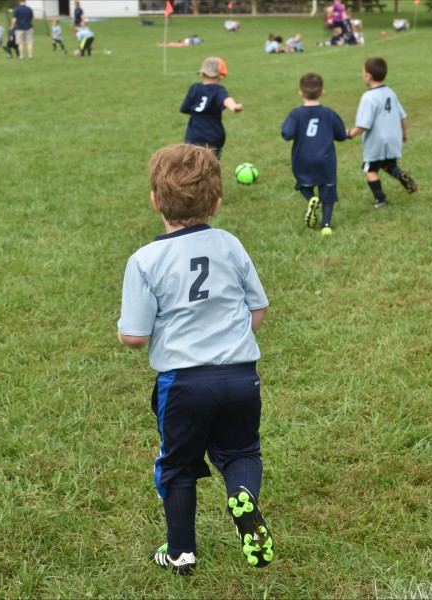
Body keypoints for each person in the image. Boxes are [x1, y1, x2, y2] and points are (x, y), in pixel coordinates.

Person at [118, 143, 274, 575]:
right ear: (217, 202)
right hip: (241, 377)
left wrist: (125, 332)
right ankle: (242, 496)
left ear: (154, 201)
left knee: (178, 465)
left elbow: (134, 336)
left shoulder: (145, 260)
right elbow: (257, 309)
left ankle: (181, 551)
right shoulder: (230, 245)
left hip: (184, 385)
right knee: (242, 451)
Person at [281, 72, 349, 235]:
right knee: (327, 189)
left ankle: (311, 198)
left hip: (302, 158)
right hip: (325, 159)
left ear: (301, 93)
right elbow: (341, 136)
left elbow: (286, 134)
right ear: (322, 92)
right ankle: (326, 224)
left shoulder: (296, 114)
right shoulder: (330, 114)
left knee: (303, 183)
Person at [348, 57, 417, 209]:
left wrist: (350, 134)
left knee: (370, 170)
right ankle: (399, 174)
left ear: (368, 76)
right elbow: (402, 116)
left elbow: (363, 125)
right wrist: (405, 134)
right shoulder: (390, 92)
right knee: (387, 163)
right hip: (393, 136)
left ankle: (381, 201)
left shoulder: (368, 97)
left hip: (376, 140)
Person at [180, 57, 243, 159]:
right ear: (221, 76)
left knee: (192, 168)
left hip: (193, 137)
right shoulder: (218, 90)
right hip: (213, 137)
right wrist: (234, 106)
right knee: (211, 168)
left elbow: (185, 109)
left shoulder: (194, 88)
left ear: (201, 74)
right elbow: (226, 99)